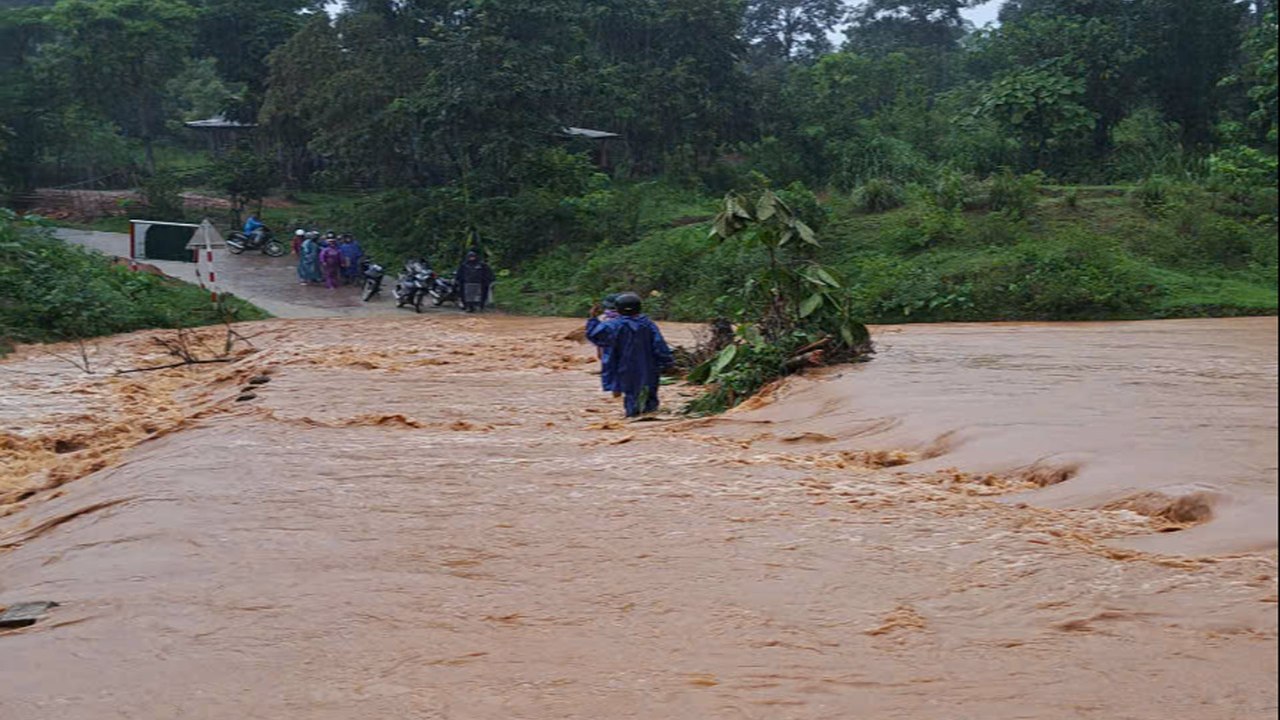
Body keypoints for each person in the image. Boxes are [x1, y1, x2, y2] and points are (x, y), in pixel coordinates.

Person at [586, 292, 674, 417]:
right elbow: (659, 344)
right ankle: (649, 415)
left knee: (631, 394)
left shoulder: (612, 325)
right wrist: (667, 362)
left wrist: (592, 319)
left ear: (618, 309)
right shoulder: (648, 324)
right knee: (649, 392)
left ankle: (634, 417)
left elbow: (594, 336)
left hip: (624, 366)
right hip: (648, 366)